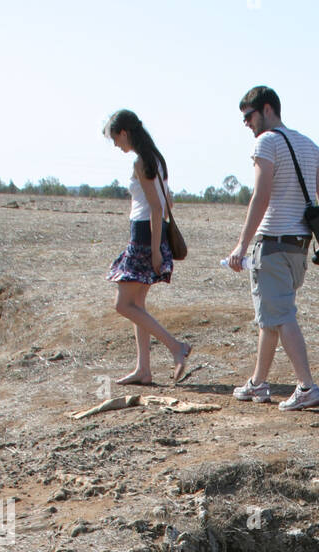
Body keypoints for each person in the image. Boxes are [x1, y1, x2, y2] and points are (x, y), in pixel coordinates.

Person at [228, 86, 319, 411]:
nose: (246, 123)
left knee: (281, 314)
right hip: (299, 247)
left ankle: (306, 387)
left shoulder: (267, 142)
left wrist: (242, 246)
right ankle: (258, 383)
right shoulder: (310, 145)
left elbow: (261, 197)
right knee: (270, 316)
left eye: (249, 116)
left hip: (271, 243)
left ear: (268, 109)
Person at [103, 110, 191, 385]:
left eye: (115, 138)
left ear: (124, 132)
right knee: (137, 304)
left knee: (123, 304)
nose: (116, 145)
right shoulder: (156, 158)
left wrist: (154, 251)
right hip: (151, 234)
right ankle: (143, 369)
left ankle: (176, 346)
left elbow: (155, 207)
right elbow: (168, 203)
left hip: (144, 235)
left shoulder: (142, 162)